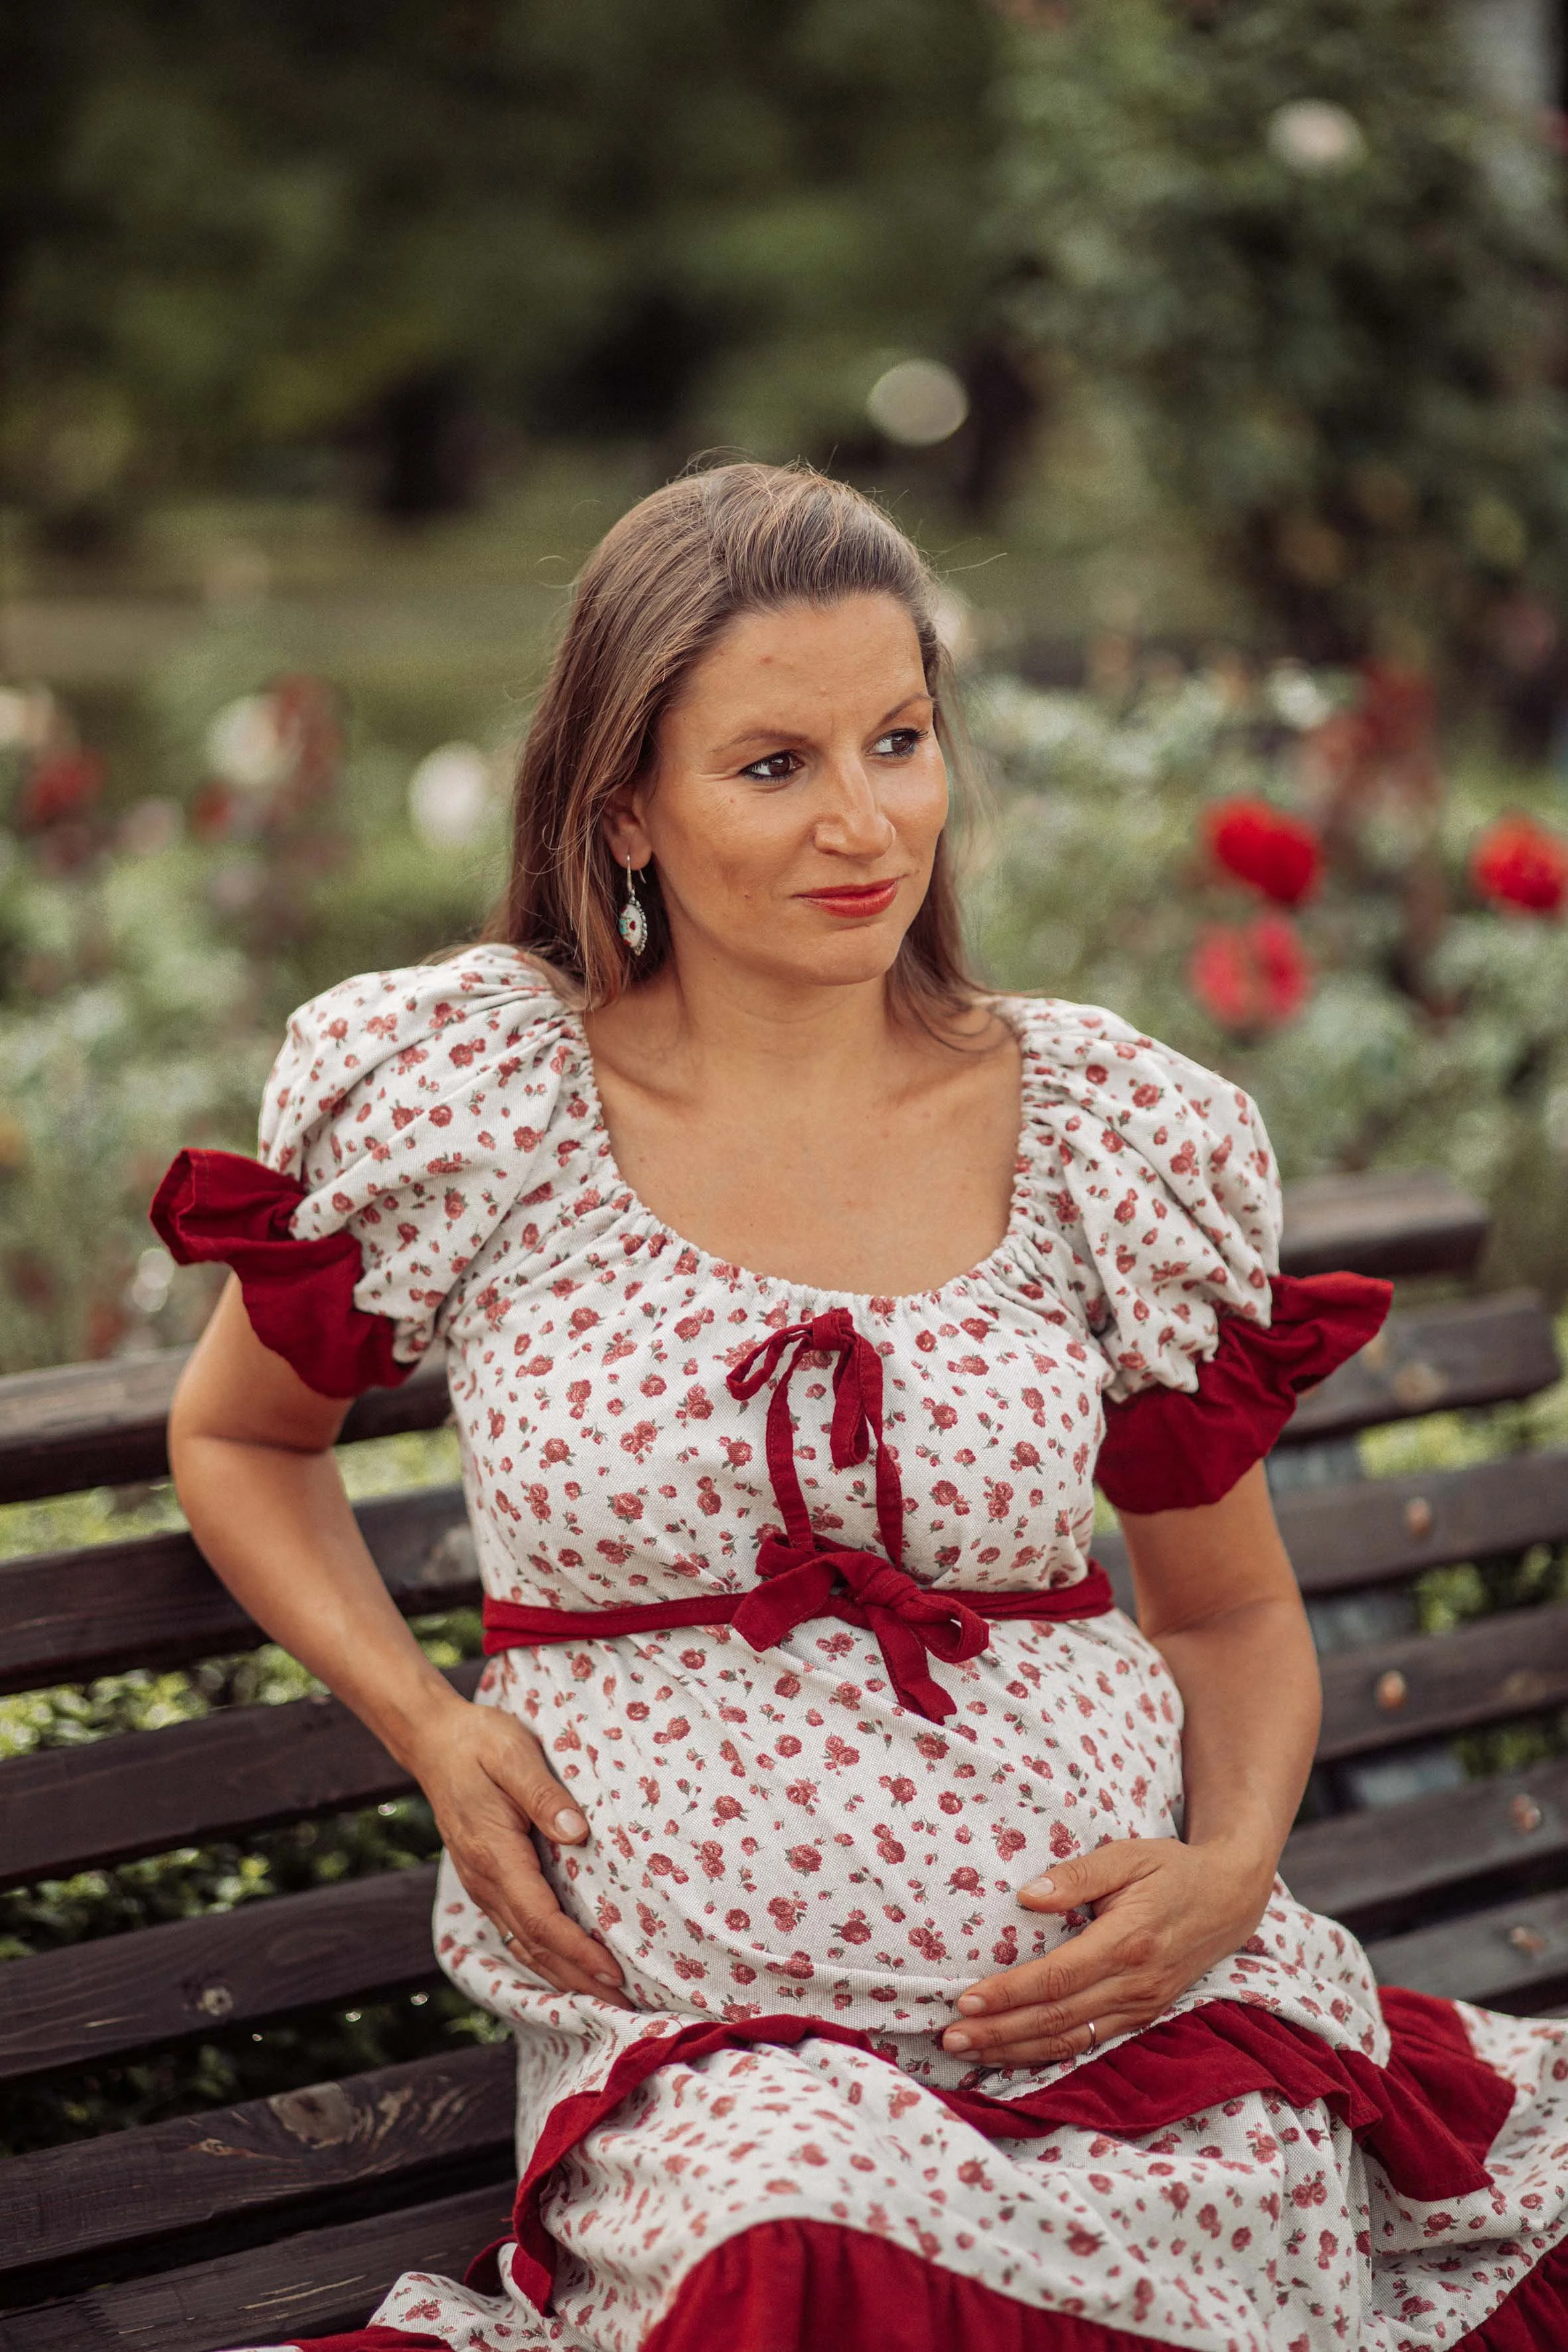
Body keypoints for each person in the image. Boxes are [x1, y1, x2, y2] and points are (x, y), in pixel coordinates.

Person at [155, 463, 1568, 2352]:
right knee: (803, 2228)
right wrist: (422, 1719)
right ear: (623, 806)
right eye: (773, 764)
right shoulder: (479, 1100)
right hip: (716, 2062)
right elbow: (244, 1436)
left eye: (899, 740)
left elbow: (1225, 1610)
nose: (863, 819)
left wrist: (1225, 1878)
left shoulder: (1095, 1131)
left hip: (1124, 2035)